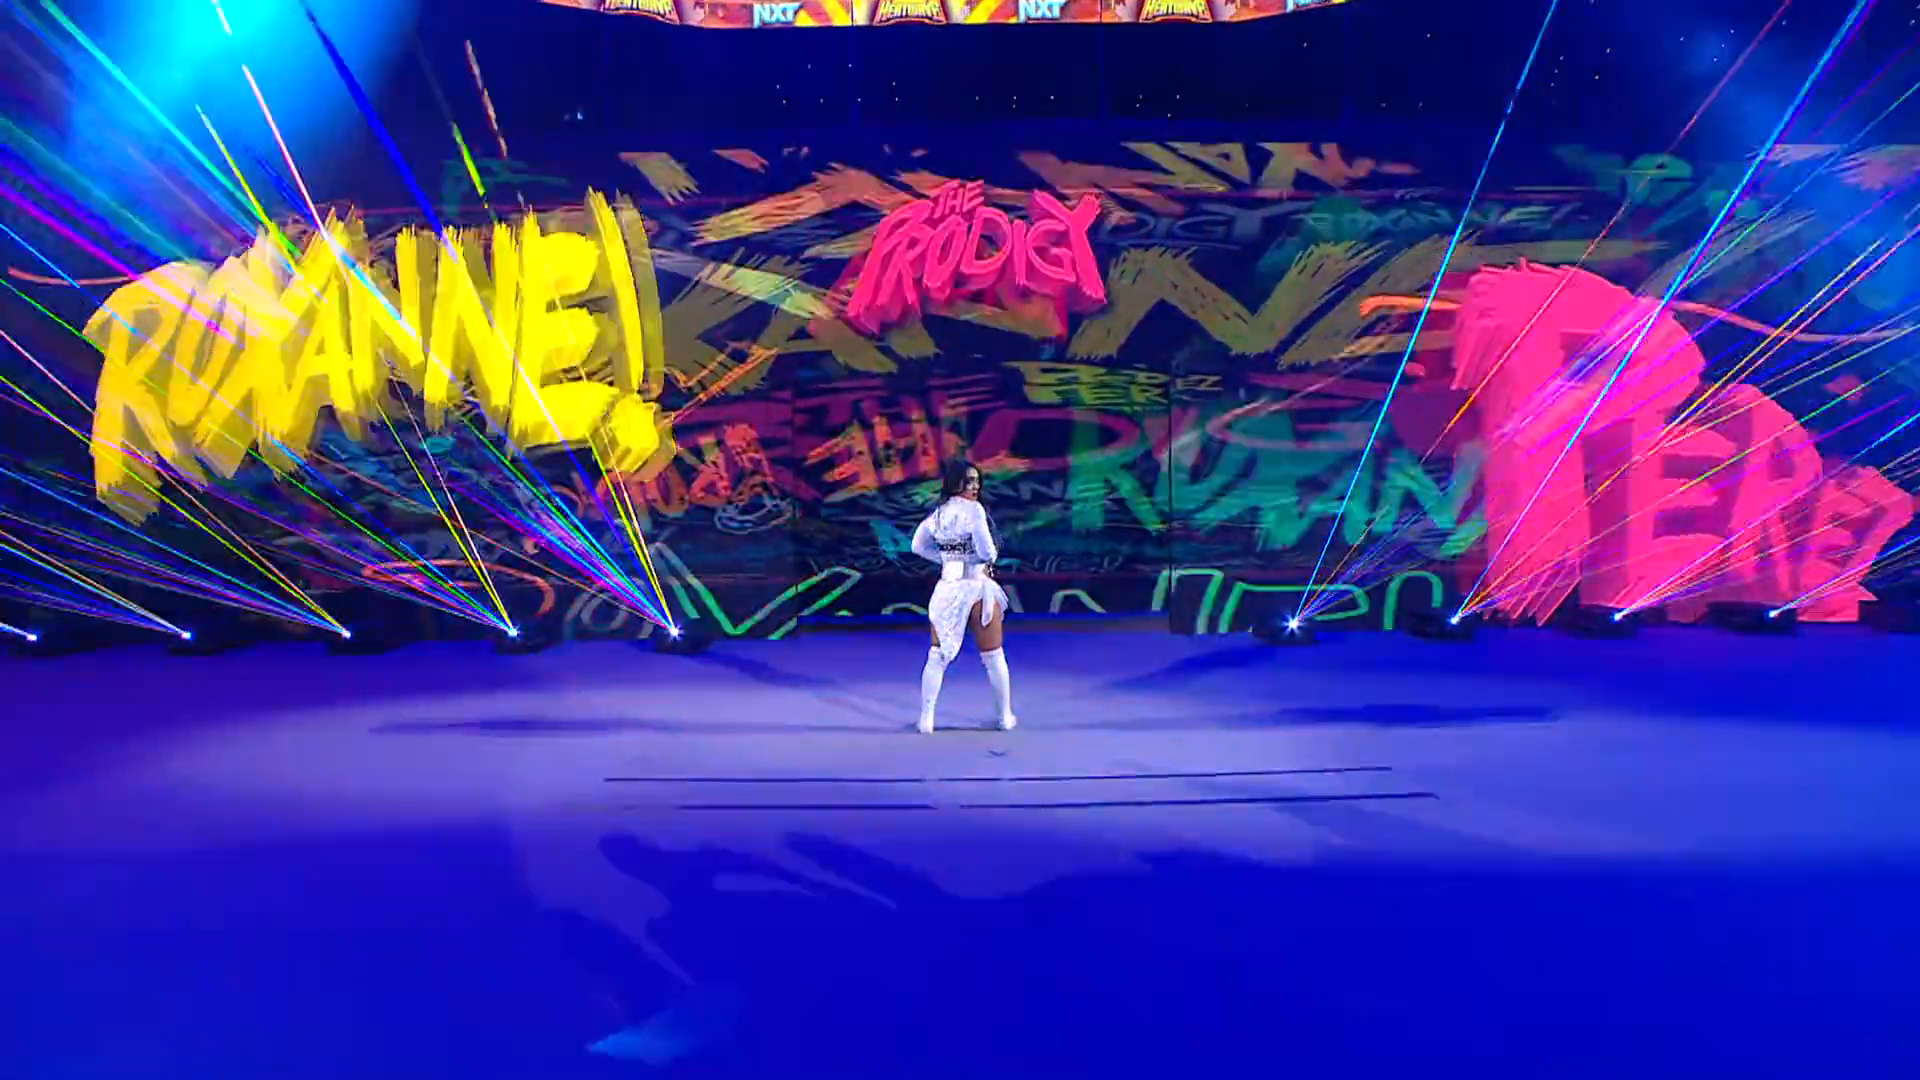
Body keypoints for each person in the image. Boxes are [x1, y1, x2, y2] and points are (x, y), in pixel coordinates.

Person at [909, 460, 1015, 734]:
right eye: (969, 481)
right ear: (955, 482)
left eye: (977, 481)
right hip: (977, 587)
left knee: (936, 656)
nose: (975, 486)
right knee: (993, 656)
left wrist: (946, 559)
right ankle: (1004, 717)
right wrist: (976, 559)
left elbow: (917, 546)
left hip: (948, 588)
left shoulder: (939, 514)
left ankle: (926, 719)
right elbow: (988, 553)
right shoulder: (975, 511)